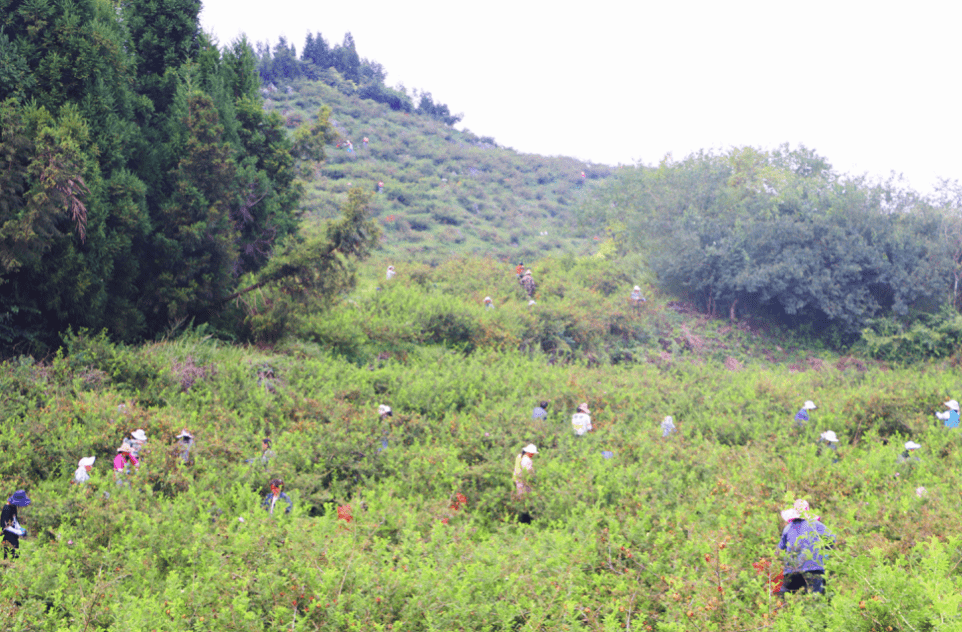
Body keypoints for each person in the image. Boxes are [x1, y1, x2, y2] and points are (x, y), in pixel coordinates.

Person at [778, 499, 834, 595]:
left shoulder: (787, 528)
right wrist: (824, 551)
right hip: (813, 568)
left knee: (786, 596)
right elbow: (832, 538)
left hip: (792, 569)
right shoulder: (815, 525)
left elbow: (780, 549)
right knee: (816, 597)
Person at [2, 490, 30, 559]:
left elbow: (14, 521)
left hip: (14, 537)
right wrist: (18, 532)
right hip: (8, 538)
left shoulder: (13, 507)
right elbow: (5, 526)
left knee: (16, 557)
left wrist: (20, 528)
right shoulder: (6, 509)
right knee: (8, 557)